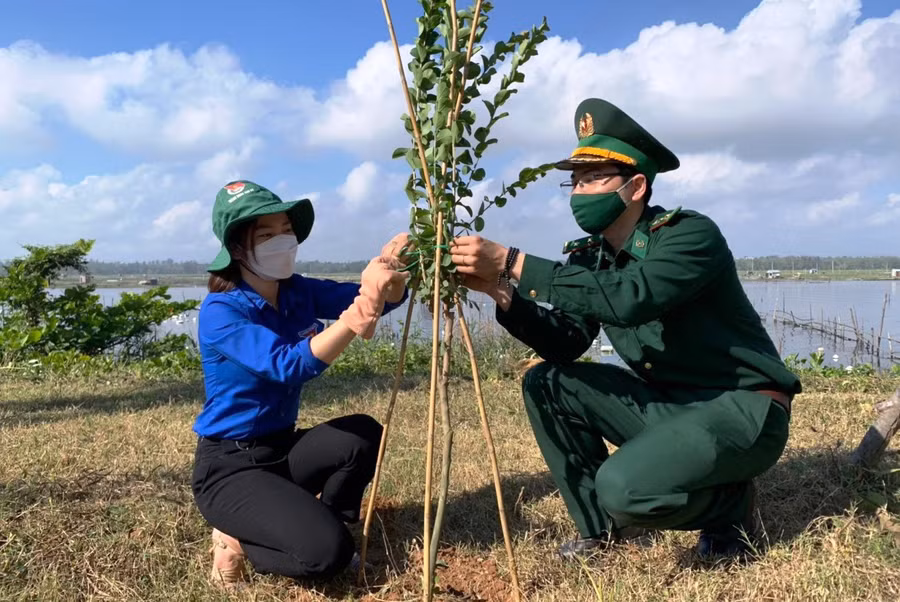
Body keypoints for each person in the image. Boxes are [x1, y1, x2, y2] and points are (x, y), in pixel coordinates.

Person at [449, 99, 801, 561]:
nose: (580, 189)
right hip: (669, 406)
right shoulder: (589, 256)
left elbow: (632, 296)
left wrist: (514, 262)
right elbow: (568, 341)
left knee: (623, 488)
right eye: (574, 179)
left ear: (636, 185)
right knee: (547, 382)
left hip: (742, 408)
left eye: (594, 177)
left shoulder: (688, 236)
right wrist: (504, 293)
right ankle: (599, 532)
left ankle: (729, 506)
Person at [190, 180, 411, 588]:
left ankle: (333, 520)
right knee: (325, 556)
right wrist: (356, 317)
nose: (283, 241)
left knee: (362, 435)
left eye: (286, 230)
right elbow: (288, 364)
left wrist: (390, 272)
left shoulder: (297, 290)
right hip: (230, 467)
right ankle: (235, 538)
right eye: (266, 234)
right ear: (238, 247)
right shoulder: (222, 311)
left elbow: (375, 297)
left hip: (281, 449)